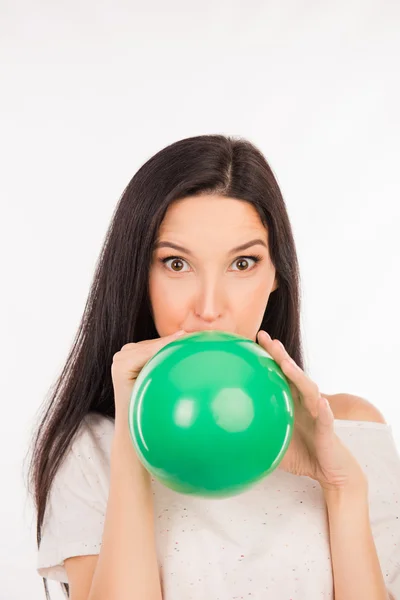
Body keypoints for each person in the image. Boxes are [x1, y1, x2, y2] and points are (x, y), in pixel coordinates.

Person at [28, 134, 400, 600]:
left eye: (242, 263)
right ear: (138, 276)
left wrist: (342, 488)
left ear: (275, 276)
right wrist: (132, 437)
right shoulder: (94, 448)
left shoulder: (352, 429)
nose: (209, 308)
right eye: (176, 263)